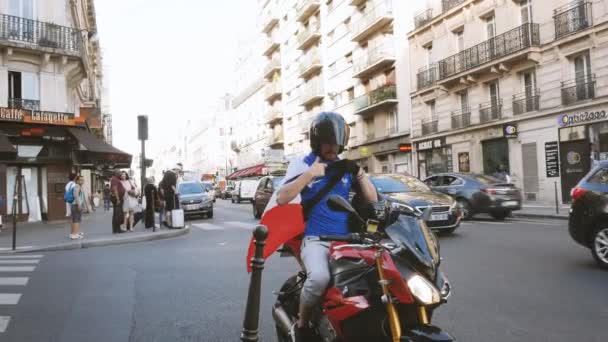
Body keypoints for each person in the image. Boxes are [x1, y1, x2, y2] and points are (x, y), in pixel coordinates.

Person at [275, 112, 378, 340]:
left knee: (373, 278)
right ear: (317, 142)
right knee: (319, 278)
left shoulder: (345, 168)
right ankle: (301, 325)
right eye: (327, 142)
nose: (332, 147)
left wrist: (360, 174)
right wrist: (309, 175)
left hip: (348, 240)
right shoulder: (304, 164)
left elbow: (372, 200)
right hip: (317, 239)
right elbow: (282, 198)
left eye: (336, 143)